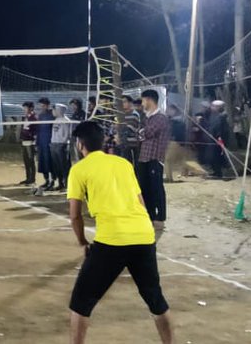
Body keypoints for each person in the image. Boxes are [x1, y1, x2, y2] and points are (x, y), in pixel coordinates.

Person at [67, 121, 173, 344]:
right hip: (143, 235)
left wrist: (82, 242)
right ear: (103, 142)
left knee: (81, 302)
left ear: (80, 144)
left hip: (112, 240)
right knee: (155, 299)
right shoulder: (123, 164)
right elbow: (140, 202)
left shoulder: (79, 170)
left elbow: (75, 215)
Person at [137, 90, 169, 231]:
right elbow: (140, 134)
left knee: (156, 189)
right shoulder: (147, 117)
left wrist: (142, 132)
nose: (142, 103)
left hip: (155, 158)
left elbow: (147, 133)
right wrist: (142, 132)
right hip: (144, 157)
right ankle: (149, 216)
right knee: (145, 189)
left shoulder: (160, 117)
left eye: (143, 100)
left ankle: (160, 218)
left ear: (149, 100)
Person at [205, 100, 230, 179]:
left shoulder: (222, 117)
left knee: (218, 156)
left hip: (218, 139)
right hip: (212, 139)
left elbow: (221, 128)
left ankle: (220, 173)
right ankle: (216, 172)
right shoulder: (213, 115)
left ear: (219, 107)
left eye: (214, 106)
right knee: (213, 156)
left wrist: (219, 137)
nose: (212, 108)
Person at [50, 104, 71, 191]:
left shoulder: (65, 120)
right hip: (54, 144)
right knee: (57, 165)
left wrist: (63, 142)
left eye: (55, 109)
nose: (53, 111)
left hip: (61, 144)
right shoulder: (56, 120)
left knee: (64, 165)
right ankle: (60, 183)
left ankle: (67, 185)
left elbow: (67, 134)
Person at [36, 98, 54, 189]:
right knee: (42, 162)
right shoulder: (41, 115)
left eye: (43, 105)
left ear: (47, 105)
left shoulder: (52, 115)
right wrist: (37, 142)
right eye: (40, 106)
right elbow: (38, 129)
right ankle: (46, 180)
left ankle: (53, 181)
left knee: (50, 161)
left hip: (49, 141)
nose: (41, 107)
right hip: (42, 142)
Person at [120, 95, 143, 165]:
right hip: (123, 144)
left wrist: (120, 127)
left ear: (130, 103)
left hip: (132, 144)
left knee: (132, 165)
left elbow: (129, 128)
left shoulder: (134, 114)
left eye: (124, 102)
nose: (122, 104)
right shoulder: (122, 114)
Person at [19, 102, 37, 186]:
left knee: (31, 160)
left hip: (30, 142)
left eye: (26, 108)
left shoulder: (34, 118)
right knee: (26, 160)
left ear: (31, 108)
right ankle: (28, 178)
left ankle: (32, 179)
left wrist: (30, 136)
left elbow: (35, 130)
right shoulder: (25, 117)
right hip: (24, 141)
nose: (24, 110)